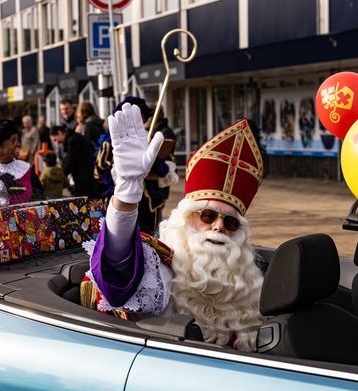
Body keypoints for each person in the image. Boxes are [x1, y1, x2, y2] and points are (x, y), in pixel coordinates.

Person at [85, 103, 265, 352]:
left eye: (230, 222)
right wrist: (126, 193)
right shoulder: (160, 271)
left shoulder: (247, 289)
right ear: (187, 219)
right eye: (208, 215)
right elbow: (116, 269)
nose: (218, 227)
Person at [93, 96, 175, 235]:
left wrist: (152, 162)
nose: (140, 121)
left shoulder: (149, 140)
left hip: (148, 205)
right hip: (120, 202)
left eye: (142, 117)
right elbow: (98, 173)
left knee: (149, 241)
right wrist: (123, 177)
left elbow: (163, 170)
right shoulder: (110, 142)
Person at [0, 119, 44, 208]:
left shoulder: (26, 170)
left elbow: (41, 202)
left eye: (18, 139)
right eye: (13, 140)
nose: (18, 144)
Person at [50, 125, 98, 199]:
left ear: (59, 133)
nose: (57, 143)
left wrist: (61, 174)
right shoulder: (74, 138)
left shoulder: (72, 141)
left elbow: (70, 162)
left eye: (55, 139)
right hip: (86, 175)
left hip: (84, 178)